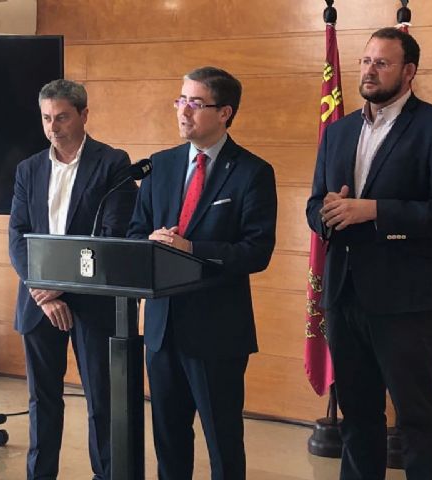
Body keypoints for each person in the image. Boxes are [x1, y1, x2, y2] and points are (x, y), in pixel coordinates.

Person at [306, 27, 432, 479]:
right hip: (345, 292)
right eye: (366, 61)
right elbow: (315, 204)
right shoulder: (338, 131)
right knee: (357, 415)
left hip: (407, 299)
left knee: (417, 417)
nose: (370, 71)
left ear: (409, 72)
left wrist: (374, 210)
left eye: (382, 63)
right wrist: (327, 213)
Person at [127, 66, 277, 479]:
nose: (183, 111)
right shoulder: (160, 165)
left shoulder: (252, 172)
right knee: (169, 440)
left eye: (195, 103)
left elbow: (256, 251)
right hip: (162, 329)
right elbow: (135, 232)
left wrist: (191, 249)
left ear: (224, 112)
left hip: (217, 331)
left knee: (222, 441)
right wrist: (150, 240)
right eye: (181, 100)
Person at [9, 79, 137, 480]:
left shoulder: (113, 163)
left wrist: (61, 285)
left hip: (93, 301)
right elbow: (18, 236)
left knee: (102, 401)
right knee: (41, 401)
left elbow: (112, 234)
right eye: (47, 118)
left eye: (62, 117)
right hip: (39, 303)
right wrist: (42, 292)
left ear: (84, 115)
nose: (53, 127)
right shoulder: (29, 168)